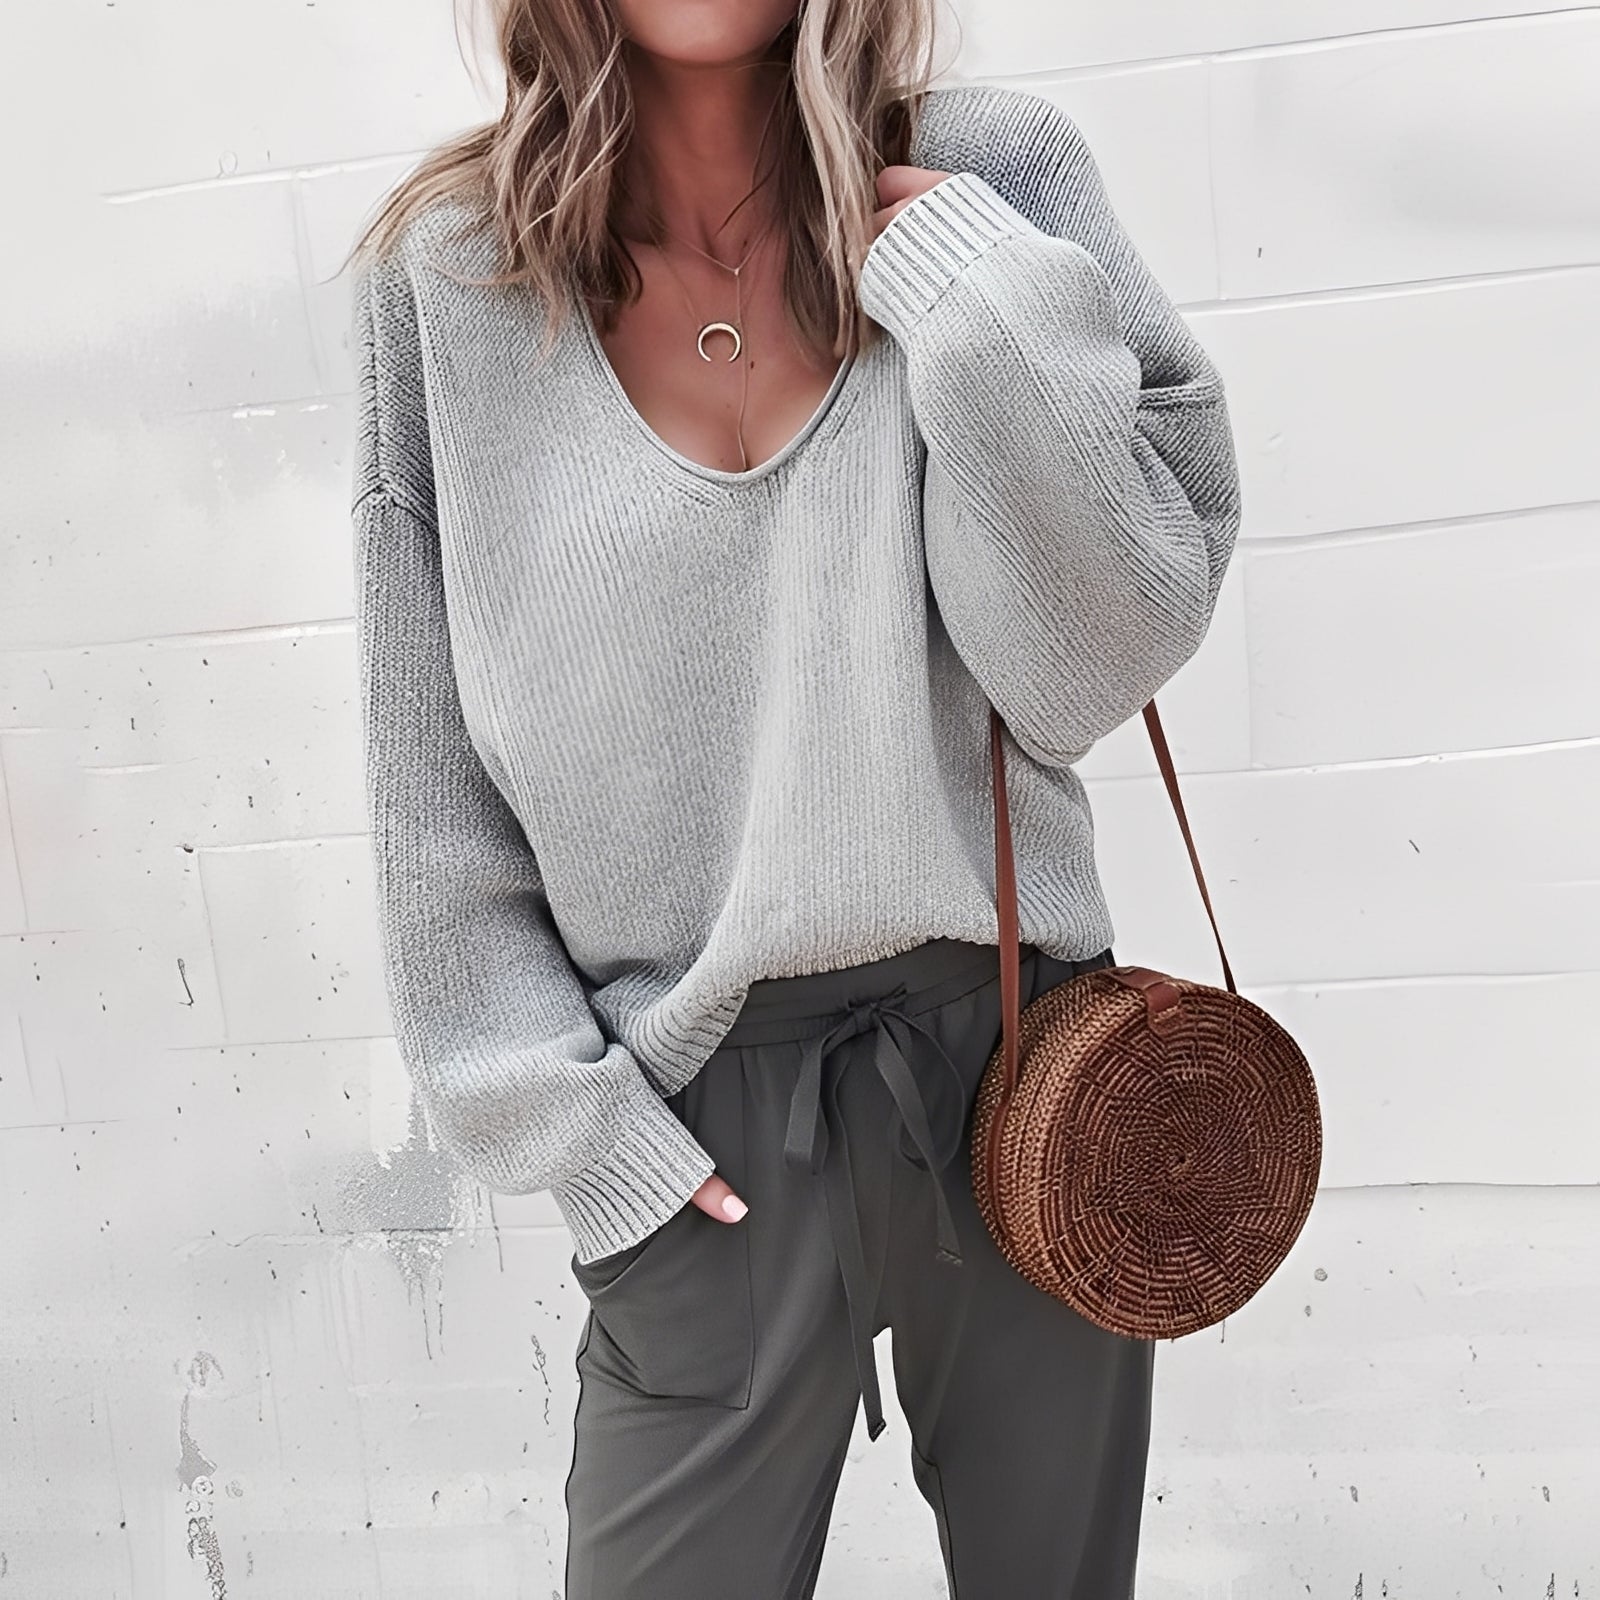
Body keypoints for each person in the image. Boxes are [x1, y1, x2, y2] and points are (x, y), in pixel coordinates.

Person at [344, 1, 1240, 1594]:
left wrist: (974, 299)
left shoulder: (993, 179)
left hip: (1027, 1076)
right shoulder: (452, 276)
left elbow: (1090, 665)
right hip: (694, 1113)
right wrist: (591, 1149)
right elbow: (430, 785)